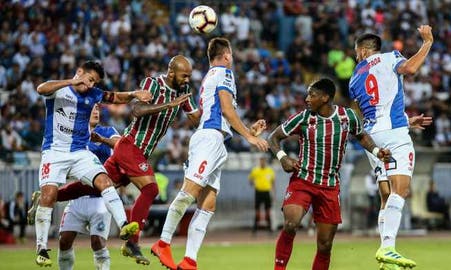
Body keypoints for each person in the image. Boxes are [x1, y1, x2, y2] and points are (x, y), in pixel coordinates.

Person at [31, 55, 200, 265]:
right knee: (151, 189)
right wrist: (169, 104)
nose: (187, 80)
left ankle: (47, 197)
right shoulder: (153, 84)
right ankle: (132, 242)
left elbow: (196, 119)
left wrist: (209, 111)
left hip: (135, 151)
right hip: (131, 145)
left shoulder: (183, 91)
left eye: (189, 77)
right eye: (184, 76)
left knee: (95, 187)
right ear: (172, 72)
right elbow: (137, 110)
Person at [151, 37, 269, 270]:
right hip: (209, 140)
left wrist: (247, 130)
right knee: (189, 192)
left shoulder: (211, 76)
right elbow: (225, 109)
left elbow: (221, 115)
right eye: (231, 54)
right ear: (226, 55)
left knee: (208, 204)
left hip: (215, 138)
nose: (232, 58)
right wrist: (249, 137)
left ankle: (189, 260)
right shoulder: (225, 73)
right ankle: (163, 242)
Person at [33, 60, 149, 267]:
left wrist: (133, 94)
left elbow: (114, 97)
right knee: (49, 195)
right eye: (90, 78)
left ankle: (124, 225)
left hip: (79, 152)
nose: (91, 84)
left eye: (95, 81)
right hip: (54, 152)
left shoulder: (94, 95)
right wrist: (73, 81)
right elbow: (41, 88)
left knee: (105, 181)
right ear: (80, 73)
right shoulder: (59, 90)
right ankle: (41, 247)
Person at [269, 78, 391, 270]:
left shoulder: (347, 116)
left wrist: (376, 151)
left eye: (312, 95)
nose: (307, 98)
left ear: (325, 98)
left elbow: (362, 136)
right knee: (291, 224)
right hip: (303, 180)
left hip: (329, 185)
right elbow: (273, 137)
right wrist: (283, 157)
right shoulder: (303, 118)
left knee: (325, 245)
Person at [348, 25, 433, 268]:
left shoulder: (354, 77)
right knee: (401, 190)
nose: (357, 57)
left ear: (363, 52)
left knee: (386, 195)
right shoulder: (390, 57)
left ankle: (386, 258)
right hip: (395, 136)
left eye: (356, 53)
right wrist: (427, 42)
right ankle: (388, 248)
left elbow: (369, 113)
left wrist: (407, 119)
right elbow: (412, 68)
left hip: (372, 139)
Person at [57, 104, 120, 270]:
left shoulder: (107, 131)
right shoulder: (73, 136)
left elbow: (120, 145)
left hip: (100, 198)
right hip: (77, 197)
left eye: (98, 109)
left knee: (97, 242)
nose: (96, 111)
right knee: (64, 240)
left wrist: (102, 140)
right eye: (92, 109)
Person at [248, 156, 275, 234]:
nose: (262, 162)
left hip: (267, 192)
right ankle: (255, 229)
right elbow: (250, 179)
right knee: (257, 211)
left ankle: (269, 228)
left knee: (268, 211)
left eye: (263, 161)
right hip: (258, 192)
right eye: (261, 161)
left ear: (265, 162)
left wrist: (273, 193)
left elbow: (273, 182)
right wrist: (254, 184)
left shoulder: (269, 171)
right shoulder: (255, 170)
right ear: (259, 162)